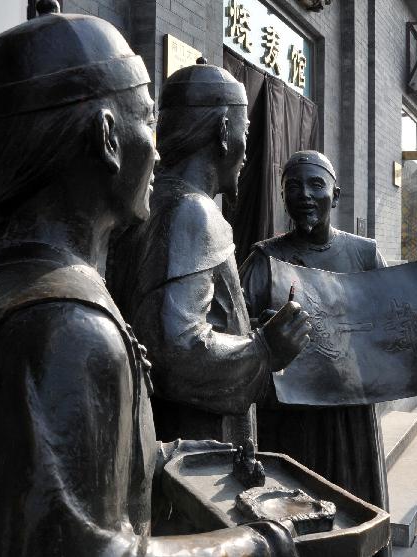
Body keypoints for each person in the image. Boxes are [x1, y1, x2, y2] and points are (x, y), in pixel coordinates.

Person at [0, 6, 297, 555]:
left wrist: (158, 450)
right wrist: (258, 544)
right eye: (148, 121)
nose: (158, 147)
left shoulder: (4, 279)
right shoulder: (65, 328)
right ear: (107, 136)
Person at [239, 151, 417, 557]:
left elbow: (394, 315)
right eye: (293, 187)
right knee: (294, 518)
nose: (304, 194)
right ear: (283, 197)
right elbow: (234, 334)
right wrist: (262, 333)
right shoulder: (264, 260)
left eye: (315, 185)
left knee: (353, 505)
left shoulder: (364, 253)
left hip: (349, 413)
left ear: (335, 195)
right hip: (289, 415)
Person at [108, 62, 311, 447]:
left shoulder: (150, 201)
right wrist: (265, 348)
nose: (247, 149)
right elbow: (176, 351)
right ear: (223, 131)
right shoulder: (193, 212)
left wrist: (248, 327)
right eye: (245, 131)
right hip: (194, 442)